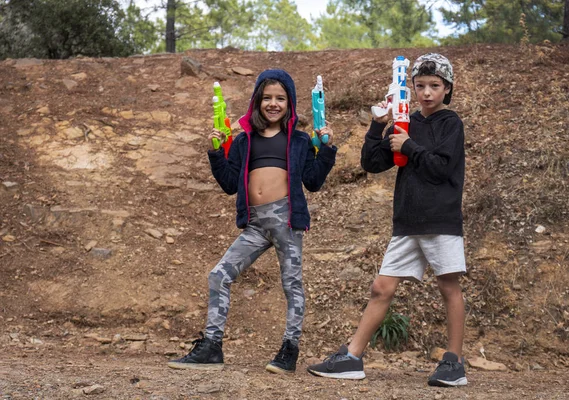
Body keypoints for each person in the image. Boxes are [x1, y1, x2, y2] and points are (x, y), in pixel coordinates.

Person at [307, 53, 468, 387]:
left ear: (447, 89)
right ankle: (352, 357)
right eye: (420, 85)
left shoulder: (450, 123)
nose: (426, 93)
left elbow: (442, 168)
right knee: (381, 287)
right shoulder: (407, 120)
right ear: (411, 88)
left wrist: (408, 145)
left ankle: (454, 363)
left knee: (448, 286)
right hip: (407, 222)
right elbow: (373, 163)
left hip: (439, 220)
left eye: (434, 86)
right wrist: (379, 124)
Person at [168, 69, 337, 375]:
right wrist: (217, 152)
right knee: (219, 275)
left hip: (287, 218)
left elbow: (312, 181)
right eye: (267, 97)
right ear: (257, 101)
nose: (273, 104)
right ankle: (211, 347)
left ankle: (289, 350)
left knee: (291, 285)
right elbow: (231, 183)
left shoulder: (299, 140)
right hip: (256, 224)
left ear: (290, 103)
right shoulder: (245, 141)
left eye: (280, 98)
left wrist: (325, 149)